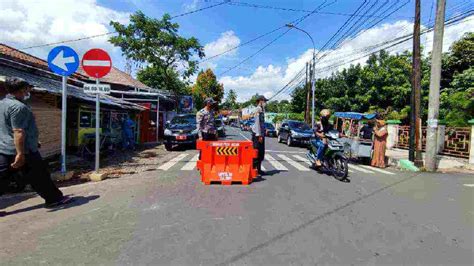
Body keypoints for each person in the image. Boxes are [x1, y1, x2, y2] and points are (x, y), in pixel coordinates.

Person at [0, 77, 71, 208]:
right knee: (40, 176)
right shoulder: (18, 107)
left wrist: (33, 140)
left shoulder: (2, 103)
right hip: (23, 150)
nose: (28, 92)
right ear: (23, 89)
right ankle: (54, 199)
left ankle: (53, 198)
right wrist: (20, 154)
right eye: (27, 89)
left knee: (2, 177)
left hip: (3, 148)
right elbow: (18, 131)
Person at [251, 95, 267, 176]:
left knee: (261, 153)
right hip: (257, 135)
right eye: (264, 101)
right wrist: (259, 135)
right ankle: (253, 170)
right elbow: (257, 123)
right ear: (260, 101)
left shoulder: (261, 110)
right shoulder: (257, 110)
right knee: (256, 152)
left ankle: (259, 169)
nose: (265, 103)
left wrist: (264, 130)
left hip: (261, 134)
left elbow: (262, 123)